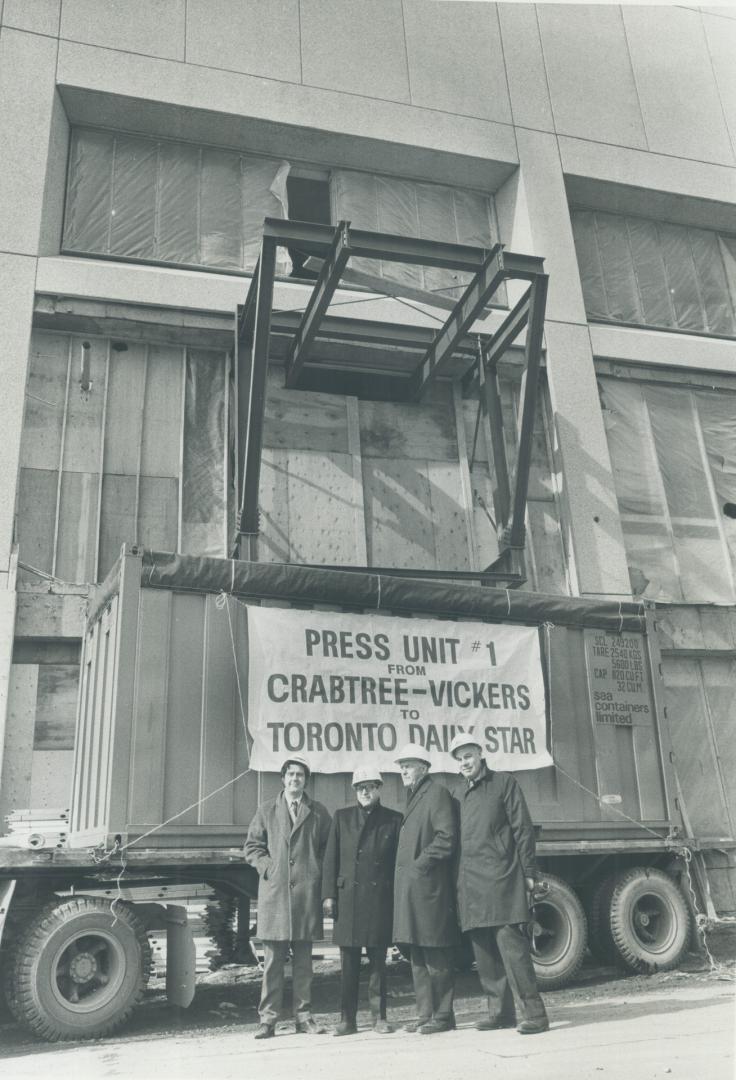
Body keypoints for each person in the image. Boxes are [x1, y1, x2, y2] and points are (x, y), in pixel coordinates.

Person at [449, 732, 549, 1035]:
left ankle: (535, 1015)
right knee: (486, 956)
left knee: (514, 953)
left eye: (468, 755)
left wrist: (528, 873)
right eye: (459, 757)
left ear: (481, 753)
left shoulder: (504, 783)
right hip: (472, 887)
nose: (465, 762)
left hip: (504, 880)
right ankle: (500, 1013)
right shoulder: (457, 794)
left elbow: (522, 829)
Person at [244, 755, 332, 1039]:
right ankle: (267, 1020)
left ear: (306, 780)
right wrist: (269, 867)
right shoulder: (266, 810)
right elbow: (252, 847)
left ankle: (303, 1017)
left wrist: (315, 871)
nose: (295, 780)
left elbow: (328, 849)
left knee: (304, 963)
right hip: (276, 896)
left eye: (300, 775)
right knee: (272, 964)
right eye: (291, 775)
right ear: (282, 779)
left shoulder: (318, 812)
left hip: (306, 895)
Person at [322, 766, 402, 1036]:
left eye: (370, 786)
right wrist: (329, 896)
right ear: (355, 790)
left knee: (378, 962)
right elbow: (330, 860)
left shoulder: (394, 819)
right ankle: (347, 1020)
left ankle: (379, 1018)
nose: (365, 792)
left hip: (379, 899)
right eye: (360, 787)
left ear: (380, 788)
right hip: (348, 901)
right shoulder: (341, 817)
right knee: (348, 965)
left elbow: (397, 866)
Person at [392, 742, 459, 1035]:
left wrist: (420, 865)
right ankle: (425, 1015)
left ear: (425, 767)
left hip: (429, 888)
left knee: (435, 953)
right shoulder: (416, 795)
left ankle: (443, 1016)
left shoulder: (437, 793)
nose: (404, 771)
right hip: (414, 890)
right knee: (417, 953)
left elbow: (446, 837)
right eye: (402, 766)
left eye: (409, 765)